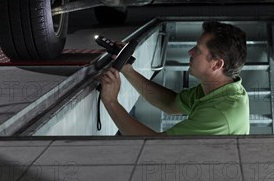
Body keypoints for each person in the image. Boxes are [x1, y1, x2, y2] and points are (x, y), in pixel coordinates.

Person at [99, 21, 250, 136]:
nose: (190, 52)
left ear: (217, 64)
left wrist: (111, 102)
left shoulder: (220, 113)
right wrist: (128, 70)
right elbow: (170, 103)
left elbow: (154, 149)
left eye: (198, 50)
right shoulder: (220, 89)